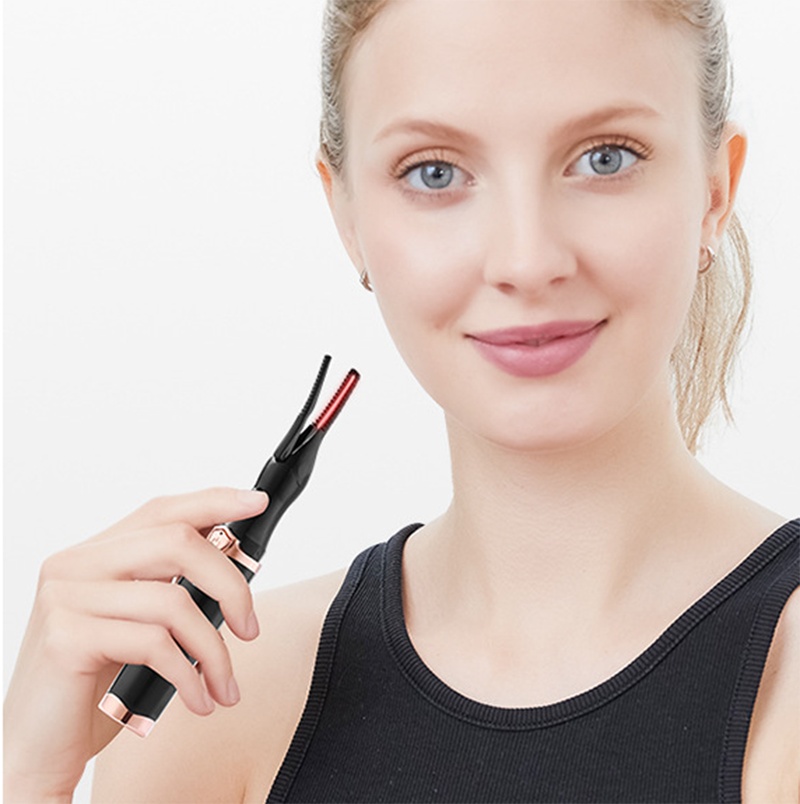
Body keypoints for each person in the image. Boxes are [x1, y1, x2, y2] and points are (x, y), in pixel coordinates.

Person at [5, 0, 798, 801]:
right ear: (346, 214)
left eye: (605, 158)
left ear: (715, 190)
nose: (527, 261)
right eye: (435, 173)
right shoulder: (209, 700)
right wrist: (30, 775)